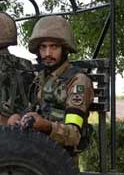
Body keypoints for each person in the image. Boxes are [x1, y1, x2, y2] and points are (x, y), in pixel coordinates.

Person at [10, 16, 94, 153]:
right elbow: (33, 110)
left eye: (53, 47)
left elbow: (74, 135)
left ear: (65, 49)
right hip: (37, 152)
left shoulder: (78, 81)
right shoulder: (41, 79)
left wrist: (47, 127)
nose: (47, 53)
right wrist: (18, 118)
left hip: (61, 161)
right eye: (43, 47)